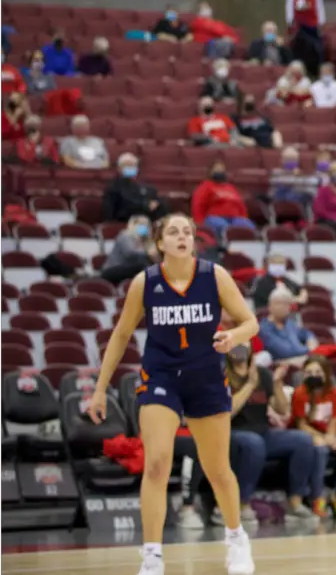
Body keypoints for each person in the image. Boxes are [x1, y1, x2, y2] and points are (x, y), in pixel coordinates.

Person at [86, 214, 259, 575]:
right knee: (157, 463)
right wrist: (100, 389)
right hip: (161, 376)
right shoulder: (145, 282)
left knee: (218, 470)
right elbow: (120, 336)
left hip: (206, 377)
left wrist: (234, 338)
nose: (182, 237)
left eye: (188, 232)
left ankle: (236, 538)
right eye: (174, 232)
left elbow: (250, 322)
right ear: (160, 243)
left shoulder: (214, 276)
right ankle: (152, 555)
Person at [226, 345, 317, 521]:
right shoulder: (221, 374)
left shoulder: (263, 373)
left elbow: (282, 410)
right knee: (254, 443)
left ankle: (295, 502)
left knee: (303, 440)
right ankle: (242, 505)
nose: (240, 347)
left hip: (263, 433)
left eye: (244, 342)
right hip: (233, 433)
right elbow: (228, 411)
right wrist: (250, 385)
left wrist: (277, 384)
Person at [290, 354, 336, 519]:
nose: (314, 375)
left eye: (318, 371)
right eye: (309, 372)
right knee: (320, 447)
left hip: (331, 433)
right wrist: (322, 437)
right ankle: (318, 497)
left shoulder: (334, 393)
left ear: (326, 374)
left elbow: (335, 420)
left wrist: (331, 436)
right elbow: (301, 424)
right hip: (309, 435)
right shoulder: (300, 394)